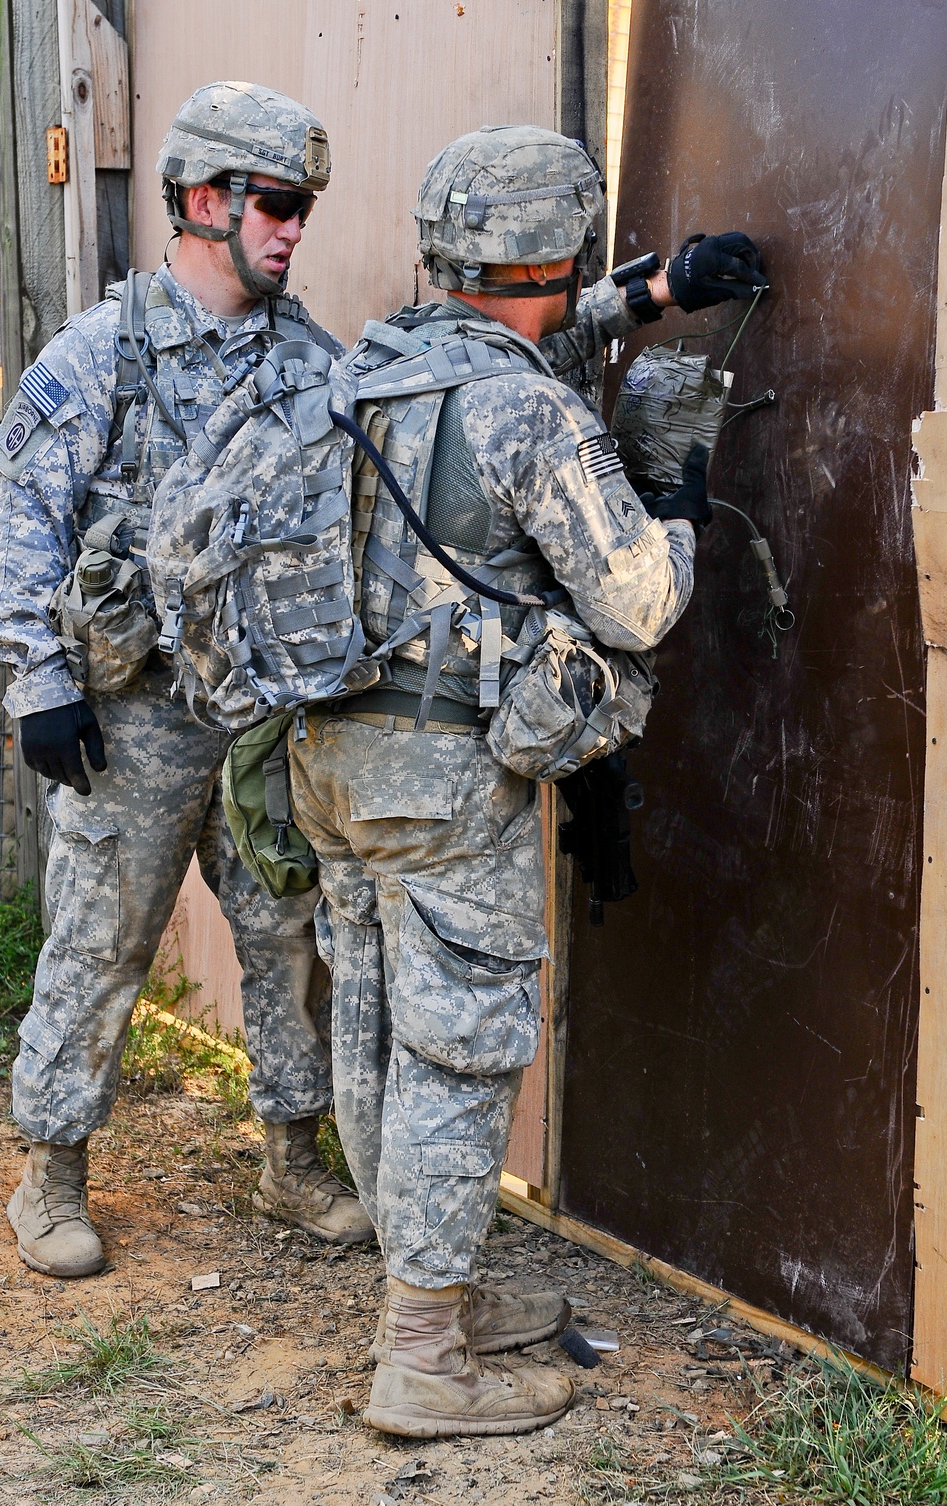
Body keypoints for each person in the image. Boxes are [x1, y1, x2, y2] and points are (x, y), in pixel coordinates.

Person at [276, 126, 765, 1436]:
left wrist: (651, 295)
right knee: (463, 1048)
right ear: (557, 250)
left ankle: (420, 1298)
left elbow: (519, 336)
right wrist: (672, 488)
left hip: (327, 758)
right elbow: (642, 599)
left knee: (379, 1020)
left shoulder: (365, 368)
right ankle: (423, 1359)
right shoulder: (529, 412)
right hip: (444, 781)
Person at [0, 81, 373, 1280]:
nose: (294, 227)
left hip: (261, 721)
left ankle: (291, 1162)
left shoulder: (312, 360)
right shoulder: (101, 352)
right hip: (133, 717)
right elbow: (23, 528)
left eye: (303, 206)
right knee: (101, 942)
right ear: (204, 202)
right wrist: (38, 683)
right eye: (275, 203)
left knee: (288, 937)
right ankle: (49, 1175)